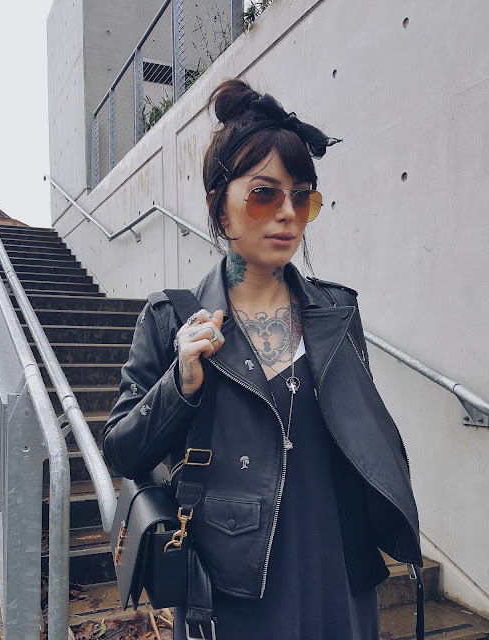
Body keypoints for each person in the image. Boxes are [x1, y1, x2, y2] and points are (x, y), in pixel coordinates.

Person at [103, 79, 424, 640]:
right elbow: (123, 450)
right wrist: (181, 384)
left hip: (339, 570)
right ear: (218, 208)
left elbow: (361, 435)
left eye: (302, 198)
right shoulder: (171, 319)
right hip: (233, 586)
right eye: (264, 195)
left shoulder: (337, 313)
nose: (287, 215)